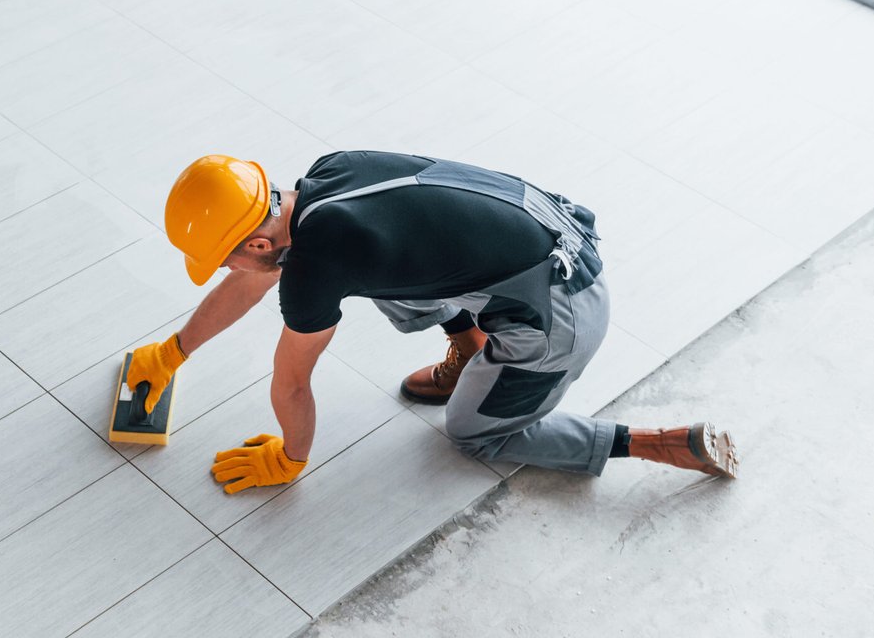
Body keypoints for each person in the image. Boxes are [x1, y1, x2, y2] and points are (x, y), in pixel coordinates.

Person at [124, 152, 738, 494]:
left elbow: (290, 382)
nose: (225, 269)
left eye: (225, 255)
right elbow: (256, 276)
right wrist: (175, 352)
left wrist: (291, 458)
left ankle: (650, 443)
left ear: (258, 242)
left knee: (473, 434)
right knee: (383, 275)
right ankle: (472, 351)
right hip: (547, 233)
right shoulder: (330, 175)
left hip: (561, 309)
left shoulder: (315, 263)